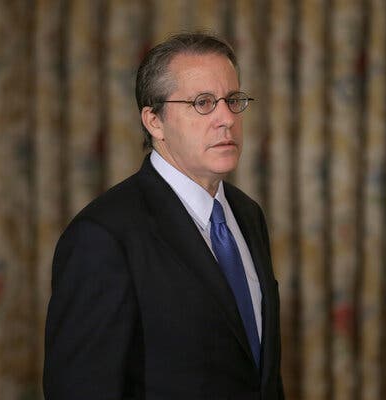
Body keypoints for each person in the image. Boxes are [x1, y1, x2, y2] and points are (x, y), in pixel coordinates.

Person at [43, 32, 284, 399]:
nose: (226, 119)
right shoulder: (103, 236)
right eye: (203, 103)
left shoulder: (247, 214)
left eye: (233, 100)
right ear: (154, 121)